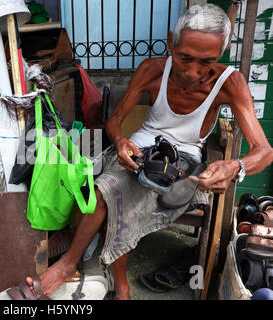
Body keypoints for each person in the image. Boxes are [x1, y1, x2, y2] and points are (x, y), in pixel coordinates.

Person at [27, 4, 273, 300]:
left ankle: (83, 270)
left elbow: (264, 151)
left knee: (108, 190)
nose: (194, 72)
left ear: (222, 52)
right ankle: (104, 275)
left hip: (185, 160)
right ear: (171, 42)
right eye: (185, 58)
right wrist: (119, 142)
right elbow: (115, 120)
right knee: (84, 176)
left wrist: (236, 166)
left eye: (207, 61)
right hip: (140, 148)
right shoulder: (153, 70)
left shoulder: (229, 82)